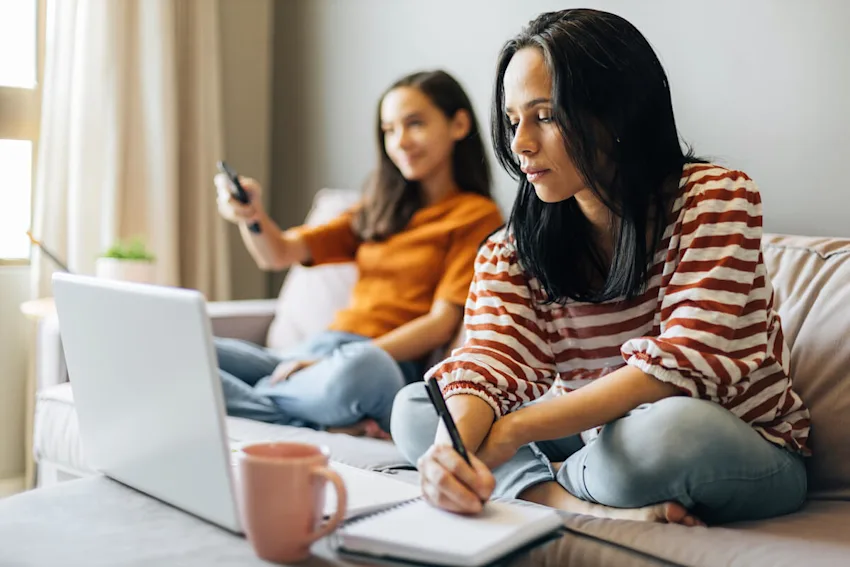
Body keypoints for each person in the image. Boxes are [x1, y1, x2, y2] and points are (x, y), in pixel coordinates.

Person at [391, 9, 811, 526]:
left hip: (740, 443)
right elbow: (486, 362)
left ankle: (536, 482)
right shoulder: (511, 249)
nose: (520, 143)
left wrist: (511, 434)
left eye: (544, 116)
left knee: (667, 431)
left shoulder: (717, 198)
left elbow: (685, 363)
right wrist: (452, 452)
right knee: (422, 408)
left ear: (616, 111)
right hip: (601, 438)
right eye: (512, 120)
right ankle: (565, 500)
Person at [214, 70, 504, 438]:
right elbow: (278, 253)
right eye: (389, 130)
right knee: (192, 348)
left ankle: (255, 401)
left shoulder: (476, 215)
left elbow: (441, 324)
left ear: (459, 124)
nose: (400, 141)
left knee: (362, 369)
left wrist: (330, 362)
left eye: (414, 124)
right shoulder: (379, 210)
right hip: (315, 351)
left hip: (379, 363)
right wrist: (251, 217)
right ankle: (312, 418)